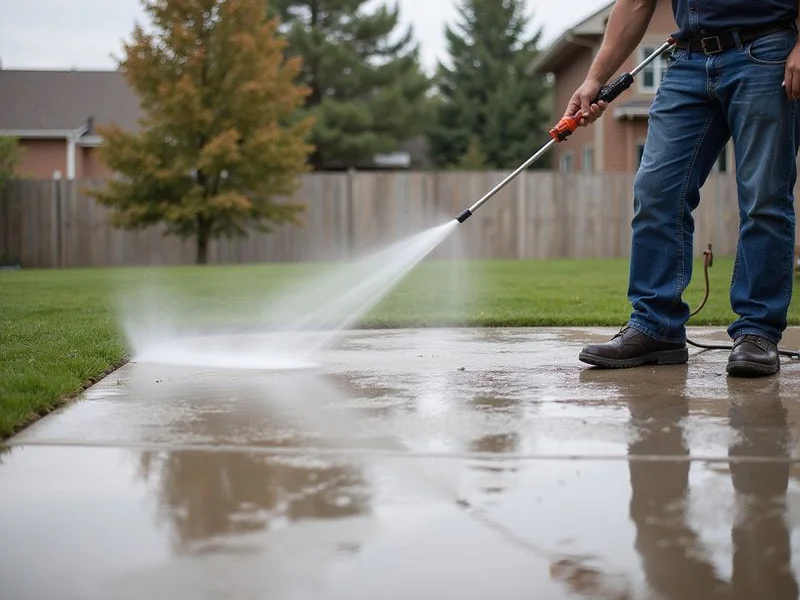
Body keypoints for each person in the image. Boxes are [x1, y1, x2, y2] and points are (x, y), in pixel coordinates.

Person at [569, 0, 800, 377]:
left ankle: (757, 332)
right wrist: (594, 79)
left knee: (764, 197)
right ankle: (655, 327)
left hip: (766, 51)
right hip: (688, 61)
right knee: (655, 191)